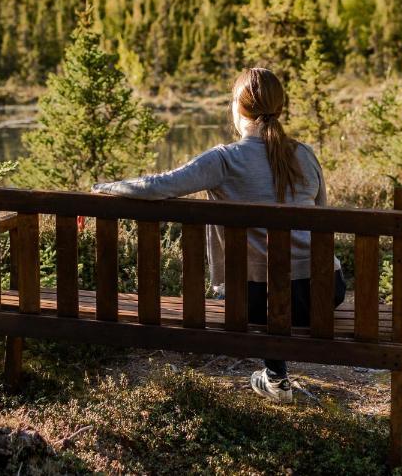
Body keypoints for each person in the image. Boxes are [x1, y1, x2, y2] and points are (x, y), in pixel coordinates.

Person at [92, 66, 346, 404]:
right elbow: (322, 222)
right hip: (323, 293)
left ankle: (275, 375)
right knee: (275, 281)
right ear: (280, 109)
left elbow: (161, 186)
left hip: (256, 302)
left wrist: (105, 188)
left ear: (238, 110)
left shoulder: (224, 160)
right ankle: (274, 376)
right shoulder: (304, 154)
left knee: (258, 286)